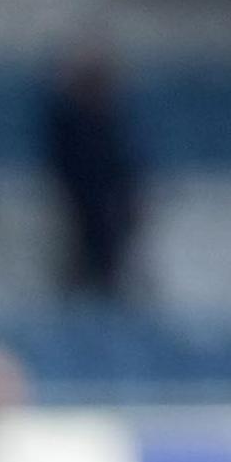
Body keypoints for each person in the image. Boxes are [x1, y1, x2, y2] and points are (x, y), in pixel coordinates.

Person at [44, 48, 144, 302]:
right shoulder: (66, 120)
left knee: (109, 274)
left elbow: (126, 166)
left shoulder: (115, 120)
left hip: (109, 213)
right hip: (75, 208)